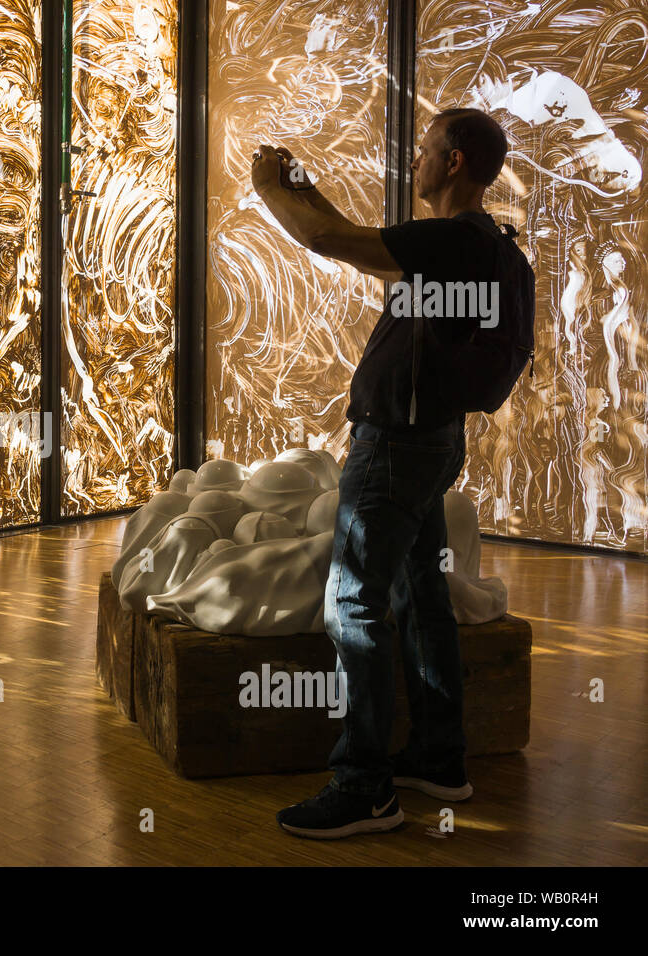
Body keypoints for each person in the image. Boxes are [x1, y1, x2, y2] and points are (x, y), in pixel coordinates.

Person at [249, 108, 536, 839]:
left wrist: (266, 188)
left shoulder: (449, 240)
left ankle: (365, 785)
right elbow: (355, 244)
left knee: (354, 604)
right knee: (422, 595)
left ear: (455, 162)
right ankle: (440, 759)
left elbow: (325, 239)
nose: (415, 161)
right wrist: (302, 183)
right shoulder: (470, 245)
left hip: (395, 448)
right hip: (431, 442)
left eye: (427, 150)